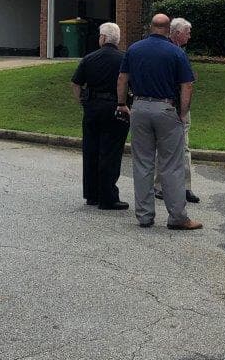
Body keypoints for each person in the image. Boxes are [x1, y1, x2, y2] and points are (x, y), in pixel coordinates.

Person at [116, 14, 202, 231]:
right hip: (166, 108)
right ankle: (177, 217)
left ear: (151, 27)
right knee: (172, 164)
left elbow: (122, 78)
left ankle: (144, 216)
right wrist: (183, 113)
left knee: (142, 162)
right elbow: (187, 85)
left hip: (140, 106)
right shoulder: (176, 52)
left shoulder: (134, 49)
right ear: (168, 29)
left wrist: (121, 103)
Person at [70, 22, 129, 210]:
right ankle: (108, 197)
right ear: (116, 39)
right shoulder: (124, 59)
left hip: (93, 108)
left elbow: (76, 83)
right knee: (110, 152)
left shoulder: (89, 58)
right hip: (115, 107)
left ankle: (92, 194)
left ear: (103, 38)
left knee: (91, 150)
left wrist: (82, 102)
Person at [154, 17, 199, 204]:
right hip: (169, 105)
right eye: (187, 32)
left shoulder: (180, 52)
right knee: (164, 147)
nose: (190, 35)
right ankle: (160, 186)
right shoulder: (168, 52)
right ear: (178, 33)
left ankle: (185, 186)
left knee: (184, 147)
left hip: (180, 105)